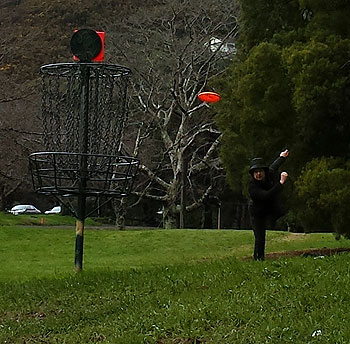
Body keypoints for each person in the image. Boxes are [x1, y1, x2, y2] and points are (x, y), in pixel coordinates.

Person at [248, 149, 289, 261]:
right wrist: (281, 183)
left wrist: (282, 157)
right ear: (253, 174)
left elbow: (274, 166)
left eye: (260, 171)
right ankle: (258, 259)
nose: (259, 174)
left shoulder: (268, 174)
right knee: (260, 237)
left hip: (270, 208)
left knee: (283, 212)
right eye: (256, 172)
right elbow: (266, 195)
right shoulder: (252, 187)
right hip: (257, 212)